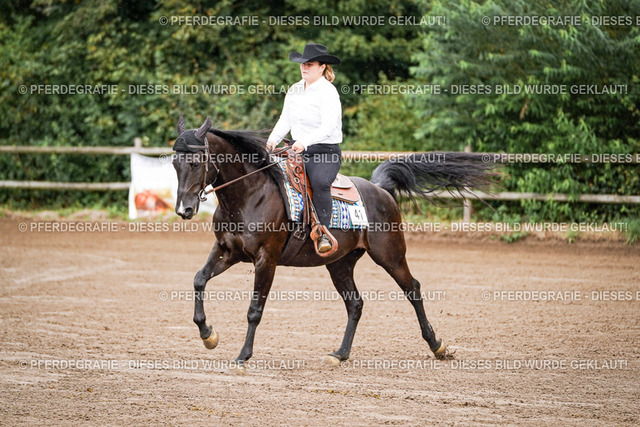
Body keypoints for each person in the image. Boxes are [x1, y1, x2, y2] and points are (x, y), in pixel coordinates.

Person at [267, 43, 343, 253]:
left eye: (309, 64)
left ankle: (323, 233)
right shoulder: (294, 89)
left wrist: (305, 141)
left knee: (320, 183)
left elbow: (328, 127)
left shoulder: (328, 92)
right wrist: (272, 140)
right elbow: (285, 120)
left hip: (324, 152)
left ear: (322, 67)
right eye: (302, 64)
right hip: (295, 150)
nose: (304, 67)